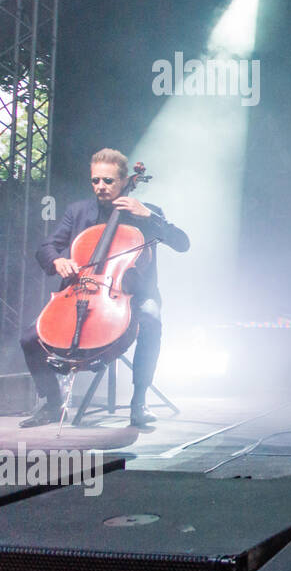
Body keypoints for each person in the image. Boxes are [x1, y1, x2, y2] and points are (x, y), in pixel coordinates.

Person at [19, 148, 190, 428]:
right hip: (79, 292)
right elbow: (46, 247)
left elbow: (182, 244)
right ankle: (51, 403)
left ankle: (139, 402)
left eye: (108, 181)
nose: (101, 187)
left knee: (151, 321)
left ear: (124, 181)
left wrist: (148, 216)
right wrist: (59, 260)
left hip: (132, 295)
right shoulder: (78, 212)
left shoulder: (147, 214)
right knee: (29, 338)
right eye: (95, 181)